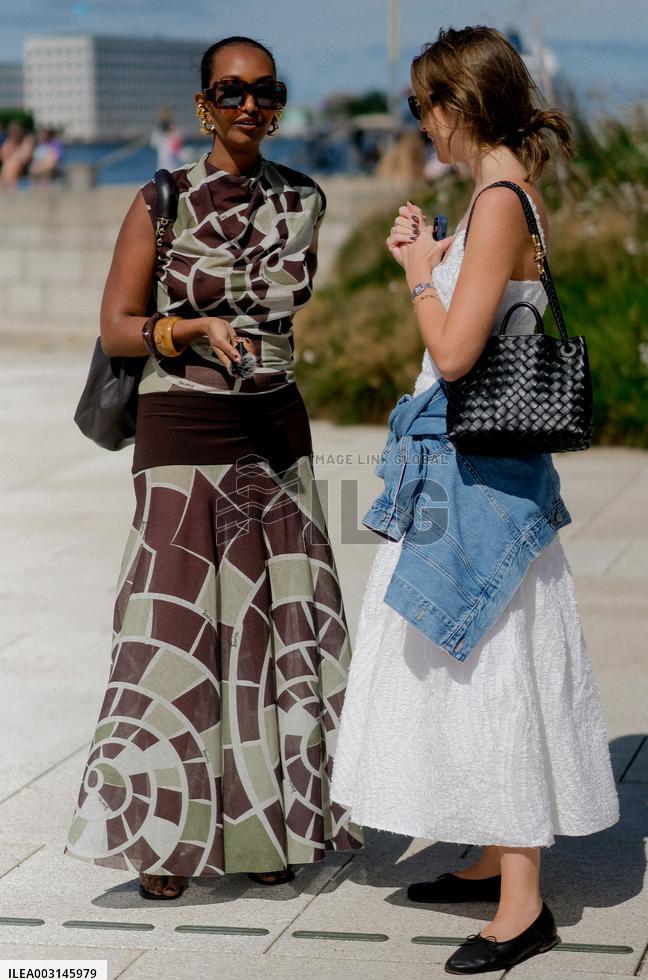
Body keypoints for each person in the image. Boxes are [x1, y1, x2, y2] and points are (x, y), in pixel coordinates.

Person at [330, 25, 619, 976]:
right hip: (472, 472)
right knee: (471, 655)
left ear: (463, 103)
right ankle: (496, 856)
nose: (422, 123)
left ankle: (523, 902)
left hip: (480, 478)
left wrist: (418, 273)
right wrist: (438, 254)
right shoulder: (501, 197)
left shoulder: (499, 199)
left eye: (426, 104)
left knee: (490, 663)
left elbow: (454, 356)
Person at [64, 35, 363, 902]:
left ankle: (267, 825)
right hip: (184, 419)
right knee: (174, 629)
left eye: (264, 92)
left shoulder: (305, 199)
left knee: (278, 630)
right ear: (204, 103)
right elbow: (119, 324)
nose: (247, 107)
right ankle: (160, 836)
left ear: (278, 103)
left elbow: (285, 309)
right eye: (230, 93)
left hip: (275, 421)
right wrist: (189, 330)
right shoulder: (163, 198)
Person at [0, 120, 35, 188]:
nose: (14, 133)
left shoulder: (27, 140)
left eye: (16, 131)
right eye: (12, 131)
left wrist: (13, 154)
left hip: (22, 172)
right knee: (9, 162)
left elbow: (26, 157)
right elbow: (3, 156)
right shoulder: (9, 142)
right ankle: (6, 183)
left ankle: (8, 183)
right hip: (8, 173)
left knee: (14, 162)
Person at [150, 106, 184, 172]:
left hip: (174, 167)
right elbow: (154, 145)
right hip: (162, 166)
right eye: (163, 116)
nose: (165, 118)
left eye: (166, 116)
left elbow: (177, 149)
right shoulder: (157, 133)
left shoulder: (176, 133)